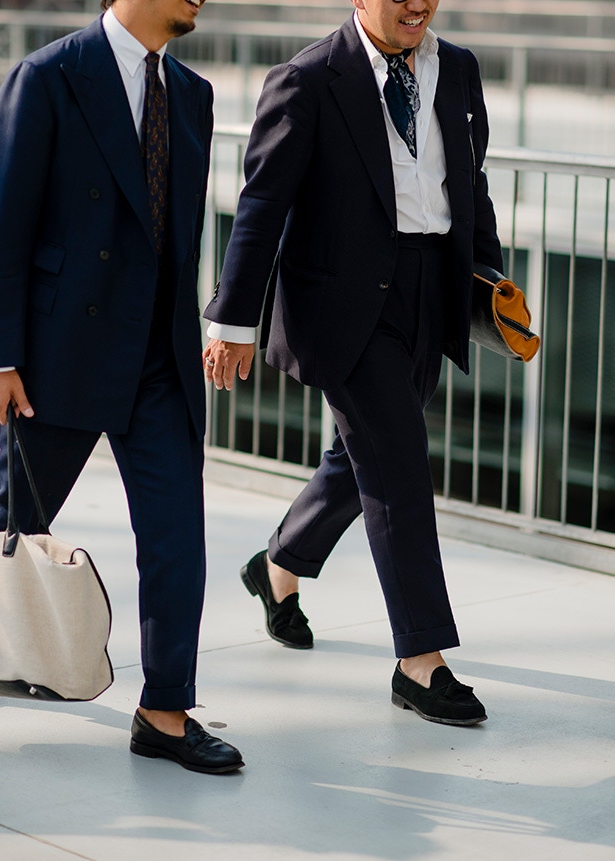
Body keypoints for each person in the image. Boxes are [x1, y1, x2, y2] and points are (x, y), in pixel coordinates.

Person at [0, 0, 244, 774]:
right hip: (60, 352)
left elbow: (174, 242)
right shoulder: (48, 78)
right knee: (15, 508)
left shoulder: (194, 95)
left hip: (159, 357)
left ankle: (166, 711)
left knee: (179, 534)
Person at [203, 0, 503, 726]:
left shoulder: (456, 69)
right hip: (343, 306)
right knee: (399, 464)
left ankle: (277, 566)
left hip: (431, 291)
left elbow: (472, 183)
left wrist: (493, 282)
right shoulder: (307, 80)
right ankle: (421, 660)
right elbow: (262, 204)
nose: (416, 3)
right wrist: (233, 318)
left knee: (358, 458)